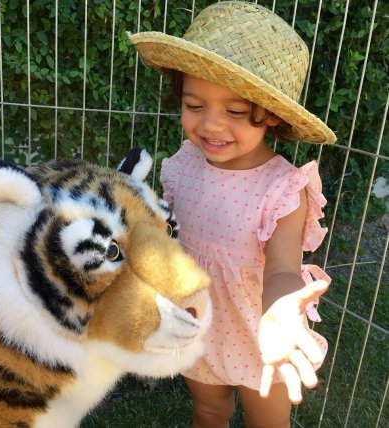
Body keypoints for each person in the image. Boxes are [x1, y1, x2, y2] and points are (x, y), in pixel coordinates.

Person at [129, 2, 336, 427]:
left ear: (271, 115)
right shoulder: (181, 166)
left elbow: (282, 269)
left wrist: (281, 315)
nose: (211, 124)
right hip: (199, 322)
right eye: (194, 105)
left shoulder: (283, 190)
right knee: (207, 411)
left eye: (236, 112)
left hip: (261, 332)